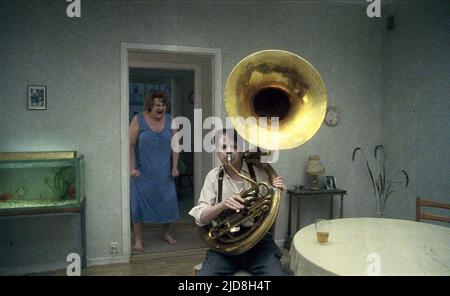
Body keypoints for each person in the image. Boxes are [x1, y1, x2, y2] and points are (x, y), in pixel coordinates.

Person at [189, 129, 287, 275]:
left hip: (258, 244)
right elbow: (201, 217)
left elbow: (270, 201)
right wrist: (222, 205)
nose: (228, 151)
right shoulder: (213, 177)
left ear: (241, 150)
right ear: (217, 152)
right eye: (223, 147)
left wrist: (277, 190)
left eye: (234, 146)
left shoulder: (260, 171)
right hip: (225, 245)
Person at [129, 92, 180, 252]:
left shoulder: (171, 121)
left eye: (163, 105)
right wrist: (132, 168)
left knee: (168, 202)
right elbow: (130, 145)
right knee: (138, 205)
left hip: (164, 171)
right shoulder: (138, 119)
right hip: (142, 172)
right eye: (157, 105)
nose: (161, 108)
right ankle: (138, 239)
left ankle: (166, 233)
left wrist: (175, 166)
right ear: (150, 106)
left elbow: (175, 146)